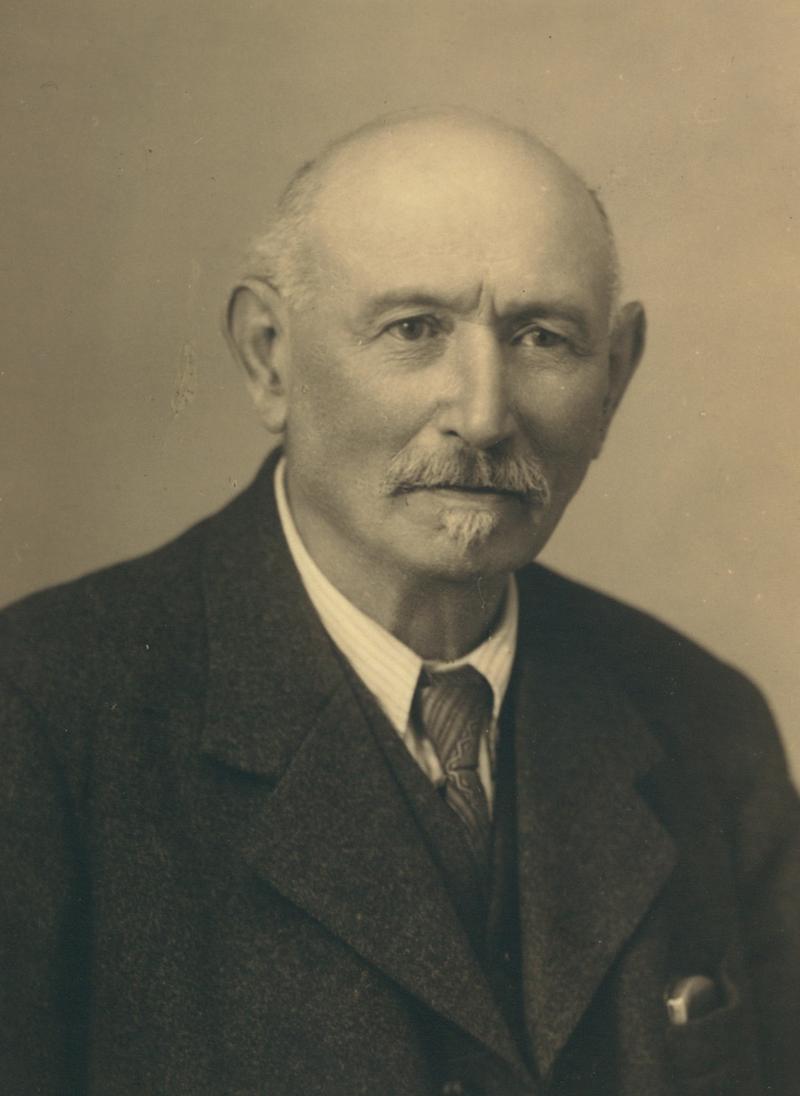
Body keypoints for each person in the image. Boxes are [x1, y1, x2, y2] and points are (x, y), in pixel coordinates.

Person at [1, 108, 798, 1096]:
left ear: (614, 377)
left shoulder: (709, 727)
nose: (483, 414)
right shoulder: (41, 715)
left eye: (542, 337)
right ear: (267, 356)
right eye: (414, 329)